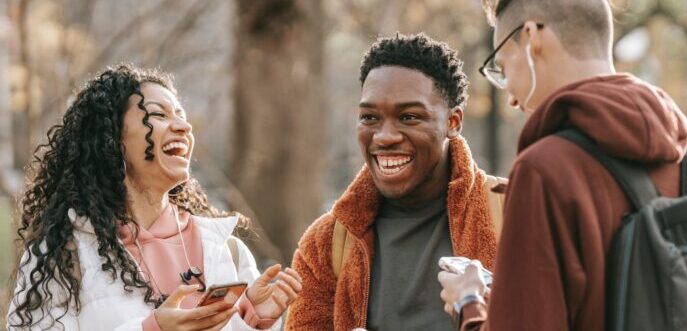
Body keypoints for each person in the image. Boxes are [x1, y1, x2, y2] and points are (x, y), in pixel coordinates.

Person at [438, 0, 687, 330]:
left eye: (502, 67)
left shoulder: (544, 171)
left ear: (532, 37)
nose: (512, 99)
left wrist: (468, 303)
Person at [7, 64, 302, 330]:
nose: (184, 127)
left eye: (182, 117)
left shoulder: (227, 250)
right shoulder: (63, 254)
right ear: (112, 141)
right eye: (159, 115)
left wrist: (254, 320)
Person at [286, 33, 506, 331]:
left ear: (453, 122)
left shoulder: (513, 212)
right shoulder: (327, 243)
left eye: (409, 117)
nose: (385, 136)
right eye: (369, 117)